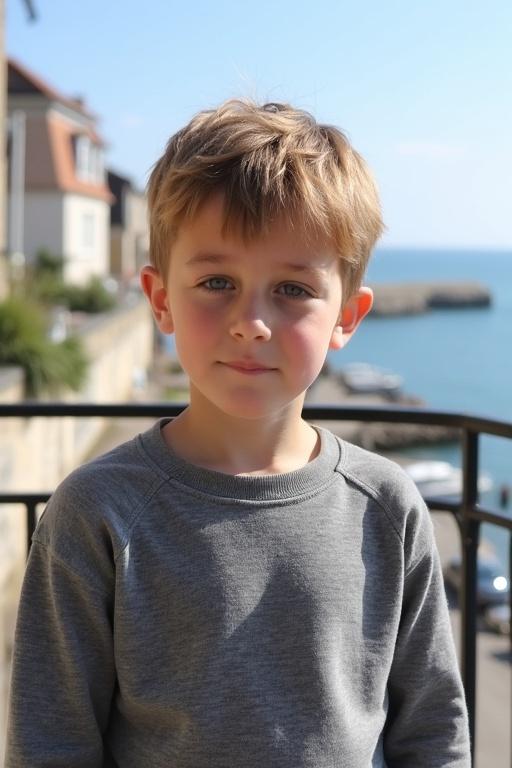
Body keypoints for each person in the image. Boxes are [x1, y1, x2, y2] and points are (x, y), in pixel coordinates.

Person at [5, 100, 470, 767]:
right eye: (216, 281)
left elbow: (432, 733)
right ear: (160, 299)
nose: (252, 321)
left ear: (348, 314)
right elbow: (51, 744)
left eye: (291, 288)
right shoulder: (98, 513)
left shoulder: (387, 507)